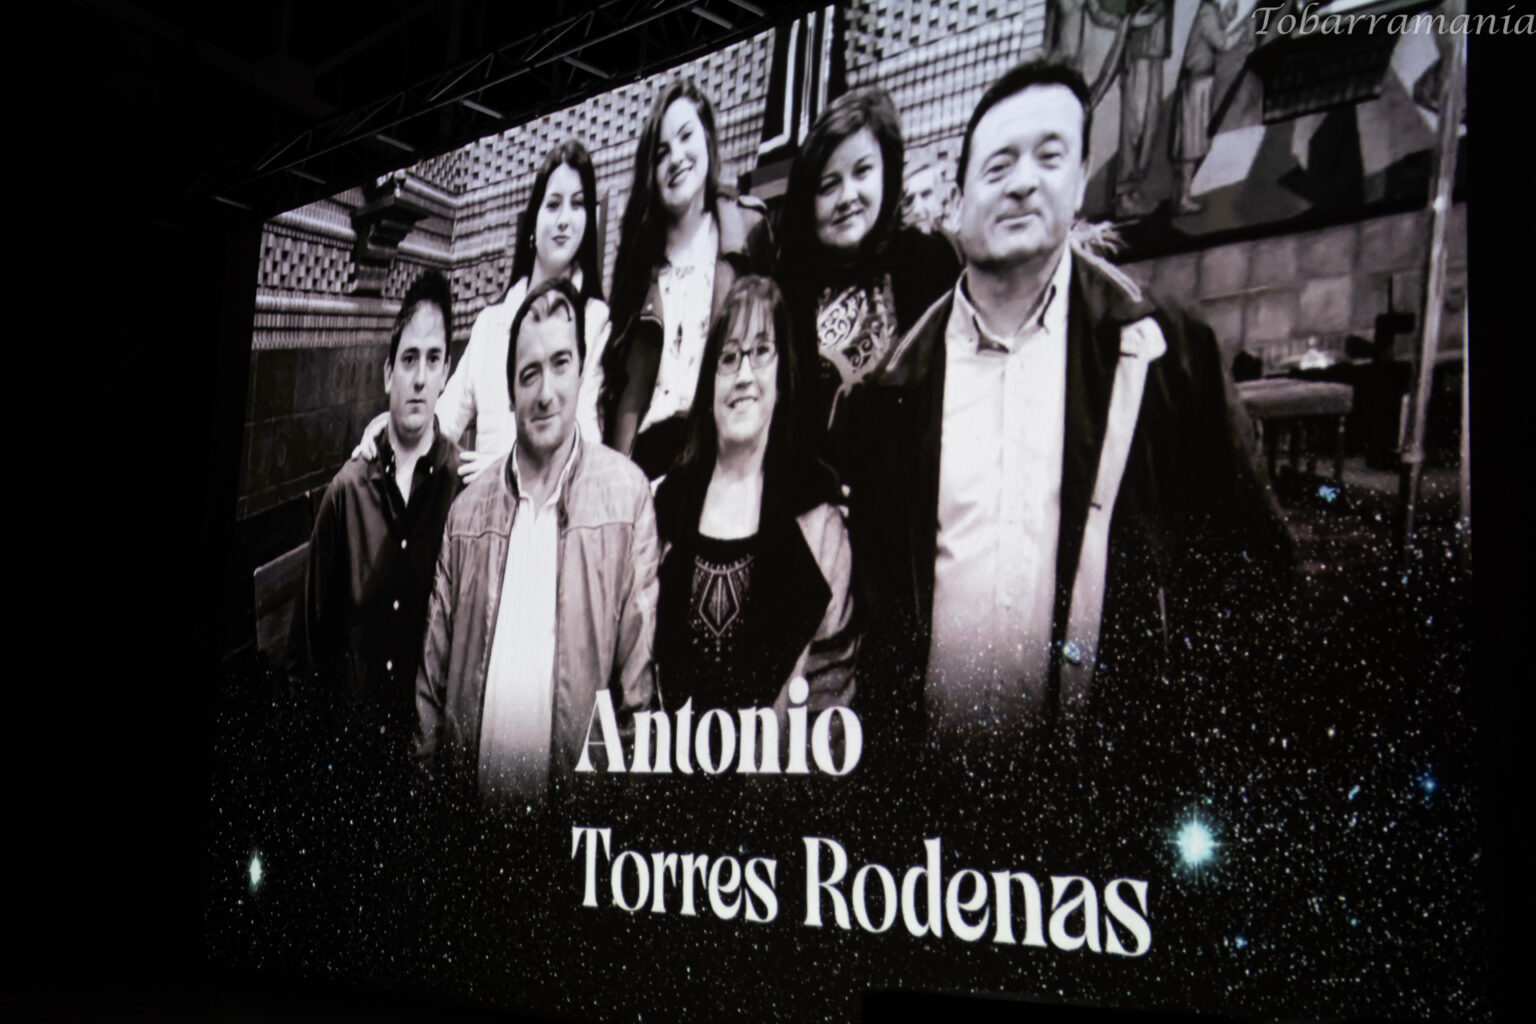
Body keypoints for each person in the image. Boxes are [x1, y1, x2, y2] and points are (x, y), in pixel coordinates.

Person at [835, 61, 1290, 768]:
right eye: (999, 165)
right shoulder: (895, 386)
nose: (1023, 182)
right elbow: (881, 605)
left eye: (1049, 157)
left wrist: (1196, 751)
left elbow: (1253, 571)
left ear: (1079, 184)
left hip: (1104, 790)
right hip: (936, 788)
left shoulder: (1160, 354)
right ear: (957, 198)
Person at [414, 277, 658, 809]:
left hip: (571, 830)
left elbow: (638, 702)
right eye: (529, 373)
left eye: (560, 364)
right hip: (471, 823)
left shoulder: (626, 501)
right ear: (511, 391)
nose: (546, 391)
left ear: (580, 371)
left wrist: (612, 832)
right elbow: (430, 689)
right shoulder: (467, 515)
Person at [652, 276, 856, 730]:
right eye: (728, 358)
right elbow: (637, 675)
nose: (743, 375)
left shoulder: (820, 524)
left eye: (761, 351)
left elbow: (831, 698)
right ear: (709, 384)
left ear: (782, 377)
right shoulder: (665, 509)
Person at [355, 140, 612, 480]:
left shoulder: (595, 320)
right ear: (533, 222)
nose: (564, 219)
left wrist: (506, 470)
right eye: (552, 205)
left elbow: (587, 444)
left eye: (577, 205)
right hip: (480, 508)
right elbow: (445, 420)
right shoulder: (491, 324)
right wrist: (392, 428)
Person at [292, 269, 463, 768]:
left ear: (446, 373)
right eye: (409, 359)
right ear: (388, 373)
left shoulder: (462, 496)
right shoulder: (348, 492)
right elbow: (309, 648)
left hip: (422, 763)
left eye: (433, 359)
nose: (419, 377)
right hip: (348, 758)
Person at [601, 79, 774, 479]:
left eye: (685, 137)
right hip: (648, 468)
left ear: (708, 140)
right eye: (661, 152)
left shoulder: (748, 234)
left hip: (725, 455)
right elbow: (620, 390)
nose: (676, 158)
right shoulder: (637, 264)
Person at [774, 85, 959, 448]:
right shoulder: (786, 291)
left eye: (862, 172)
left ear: (886, 173)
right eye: (828, 186)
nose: (847, 197)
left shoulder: (929, 262)